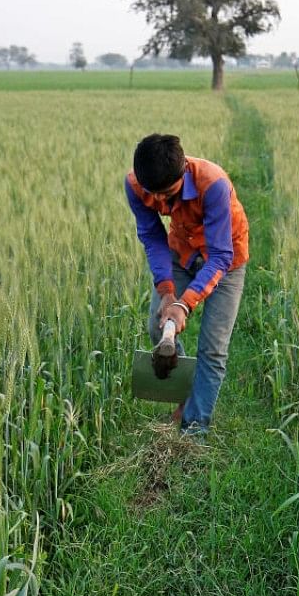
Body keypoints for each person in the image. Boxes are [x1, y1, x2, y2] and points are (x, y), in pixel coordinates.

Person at [125, 133, 249, 437]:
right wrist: (167, 293)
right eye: (153, 194)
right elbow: (153, 237)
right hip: (182, 253)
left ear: (182, 172)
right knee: (158, 326)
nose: (160, 202)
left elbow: (220, 256)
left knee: (213, 348)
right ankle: (185, 398)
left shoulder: (213, 184)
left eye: (167, 194)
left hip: (226, 260)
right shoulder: (134, 186)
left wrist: (184, 304)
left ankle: (195, 430)